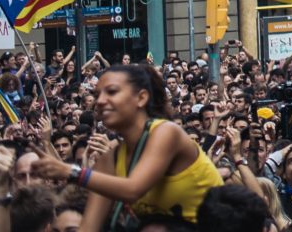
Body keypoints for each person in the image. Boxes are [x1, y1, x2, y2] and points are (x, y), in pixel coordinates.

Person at [32, 63, 226, 232]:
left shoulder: (166, 132)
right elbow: (89, 228)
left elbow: (133, 189)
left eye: (112, 92)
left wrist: (71, 171)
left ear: (141, 98)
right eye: (97, 95)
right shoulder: (110, 160)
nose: (100, 101)